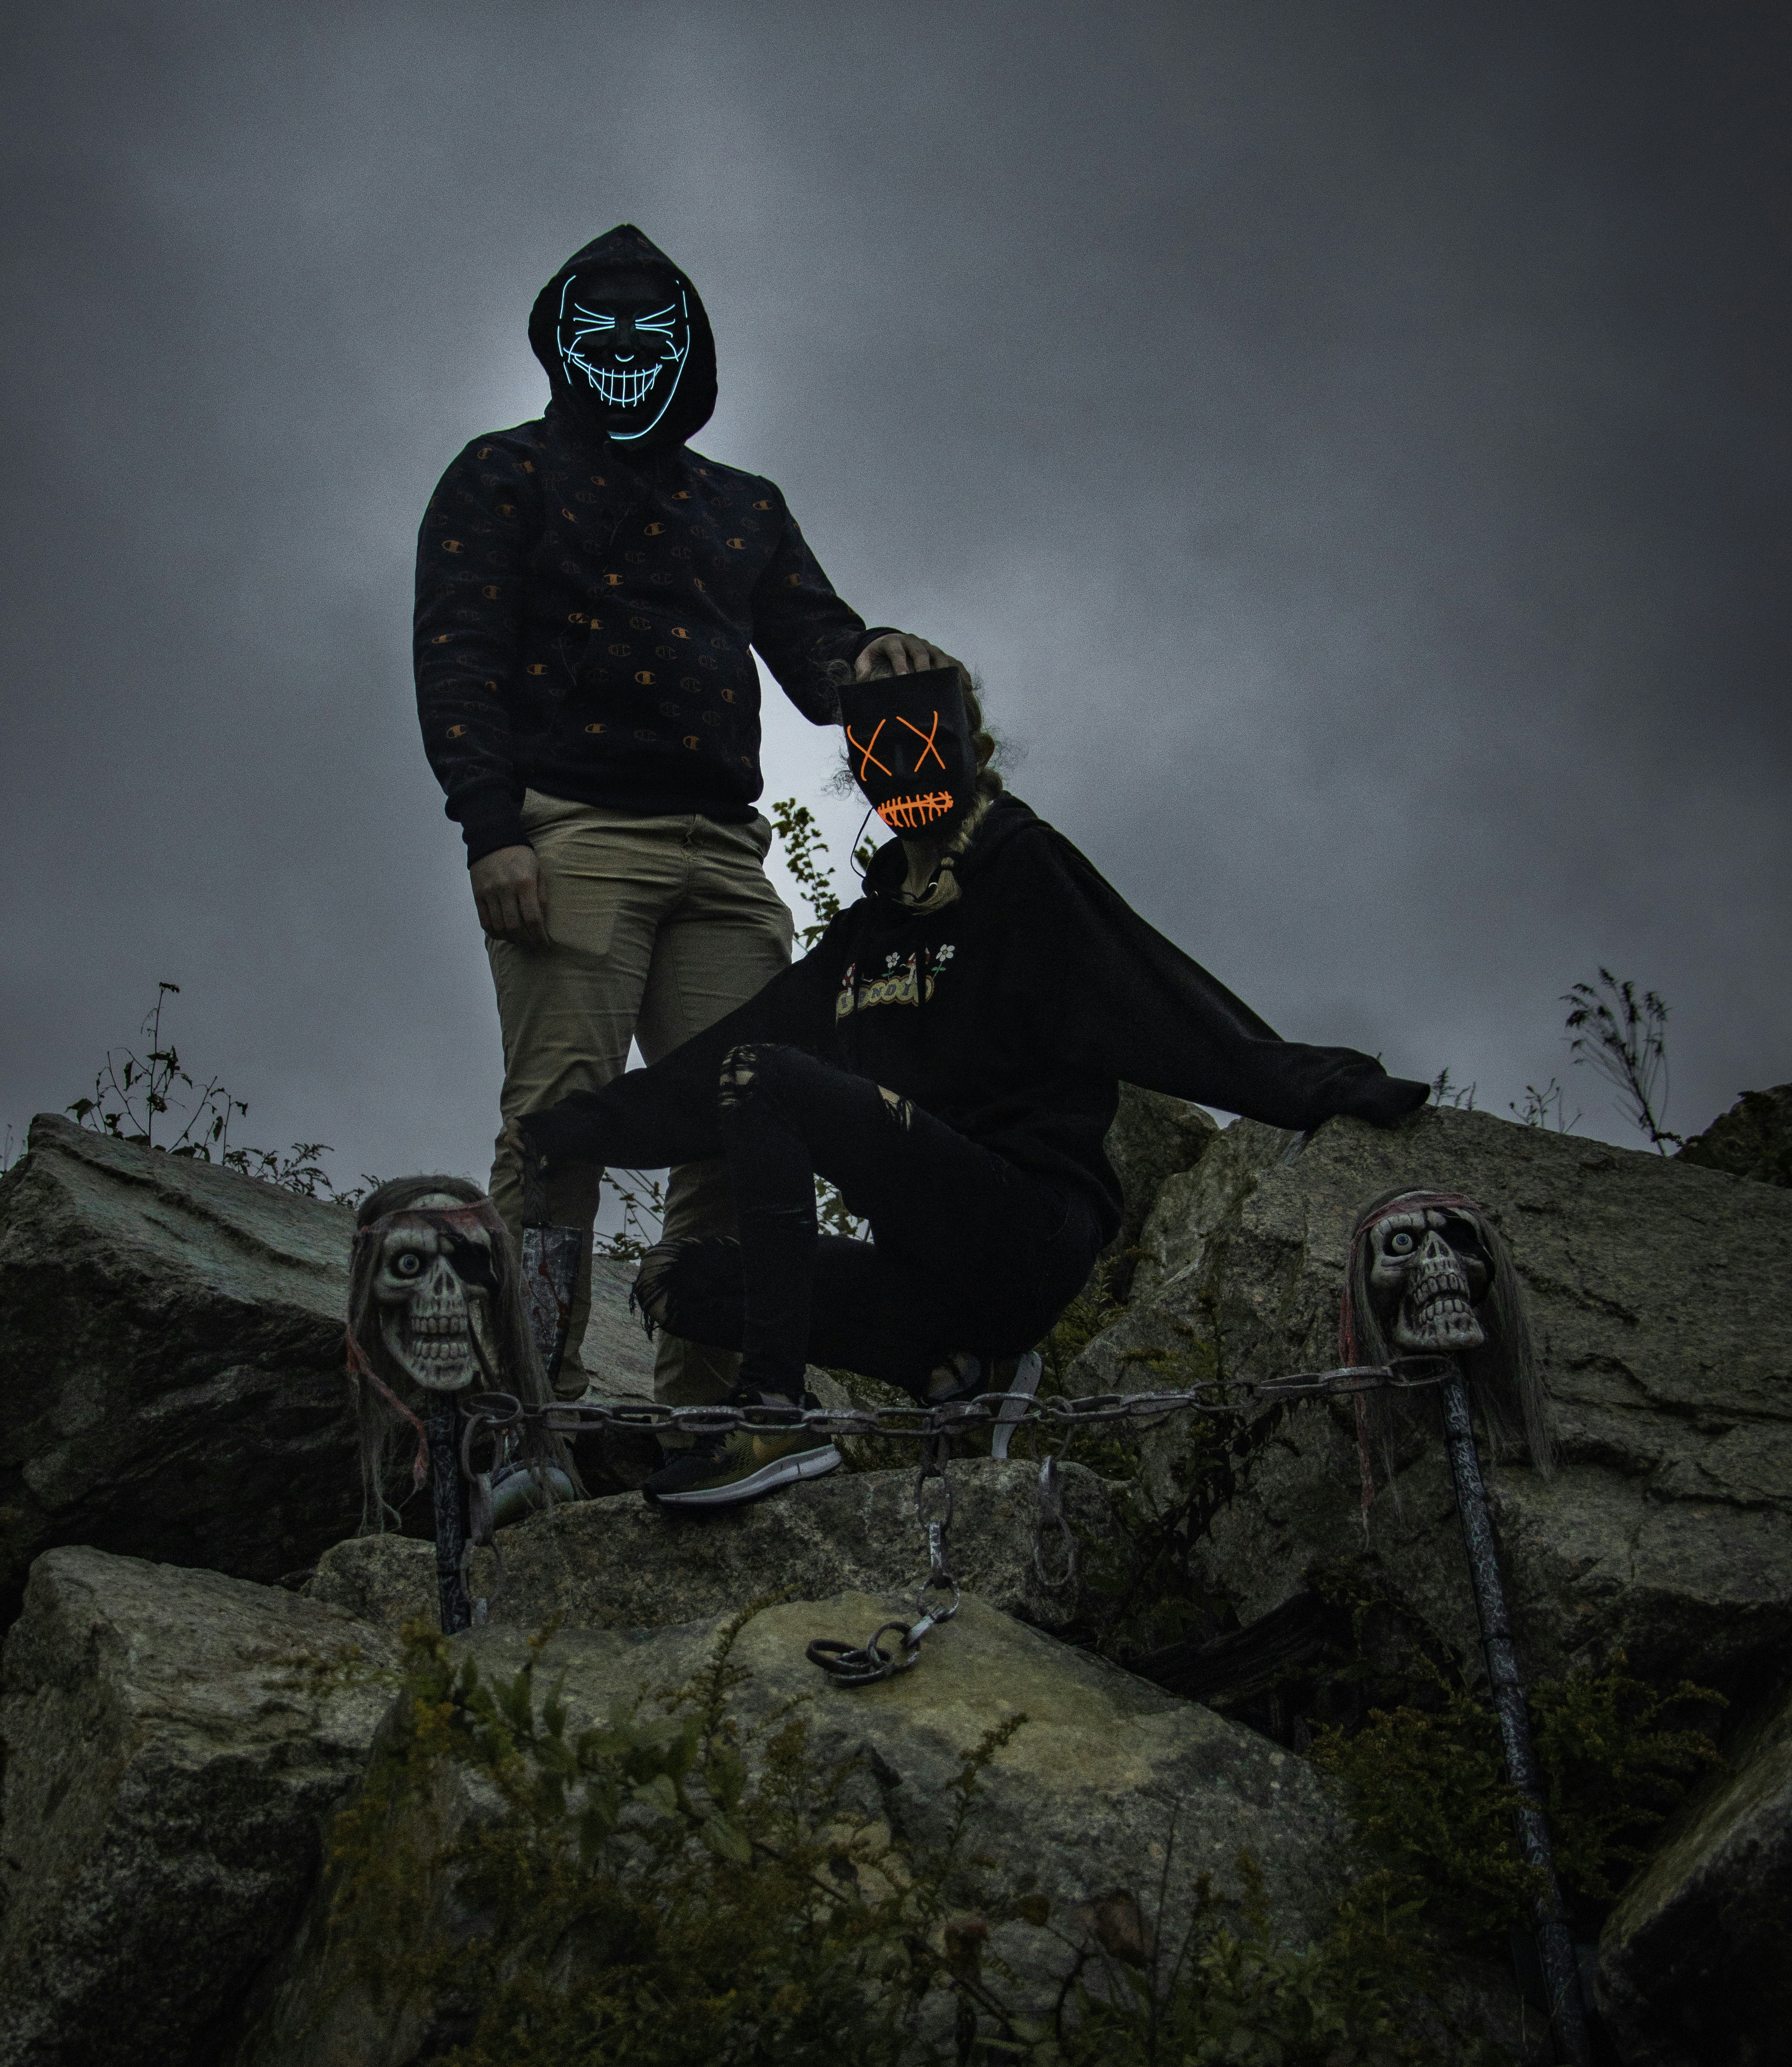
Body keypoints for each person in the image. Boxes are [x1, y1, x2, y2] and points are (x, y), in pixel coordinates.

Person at [520, 651, 1432, 1509]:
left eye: (926, 745)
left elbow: (1163, 999)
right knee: (683, 1278)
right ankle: (959, 1371)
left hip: (1025, 1230)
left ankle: (773, 1420)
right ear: (857, 769)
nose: (905, 769)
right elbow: (710, 1070)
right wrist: (572, 1125)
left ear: (977, 752)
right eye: (880, 753)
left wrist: (1323, 1085)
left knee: (766, 1079)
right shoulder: (865, 939)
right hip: (928, 1271)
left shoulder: (1024, 871)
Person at [414, 222, 948, 1403]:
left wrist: (879, 658)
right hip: (575, 835)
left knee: (750, 1119)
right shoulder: (502, 475)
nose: (621, 350)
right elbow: (458, 656)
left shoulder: (742, 506)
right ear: (559, 342)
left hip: (723, 852)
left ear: (690, 348)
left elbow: (819, 654)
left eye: (649, 331)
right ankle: (527, 1405)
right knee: (561, 1123)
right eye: (593, 328)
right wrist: (492, 828)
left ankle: (706, 1411)